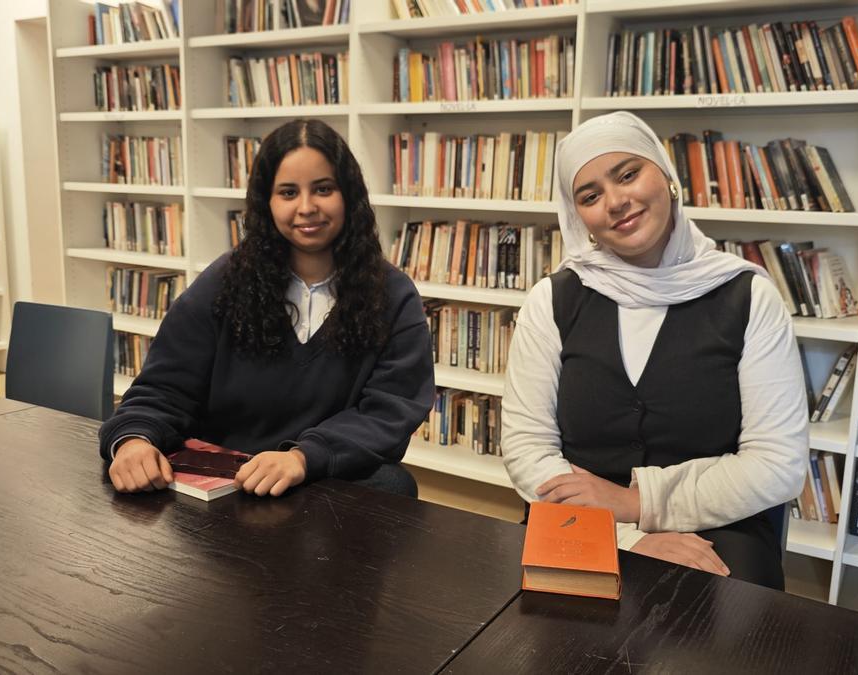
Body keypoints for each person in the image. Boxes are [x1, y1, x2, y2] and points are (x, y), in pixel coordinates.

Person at [501, 111, 807, 589]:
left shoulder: (748, 298)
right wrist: (622, 535)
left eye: (628, 174)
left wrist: (639, 505)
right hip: (577, 524)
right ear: (578, 216)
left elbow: (776, 465)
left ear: (666, 176)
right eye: (590, 195)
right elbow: (527, 447)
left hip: (718, 528)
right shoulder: (553, 301)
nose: (616, 202)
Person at [99, 119, 434, 498]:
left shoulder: (392, 294)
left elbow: (389, 412)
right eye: (288, 192)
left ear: (349, 195)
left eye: (323, 189)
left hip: (326, 475)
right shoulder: (224, 282)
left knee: (393, 485)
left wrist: (304, 457)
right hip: (230, 484)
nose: (306, 207)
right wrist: (133, 441)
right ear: (266, 202)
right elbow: (164, 388)